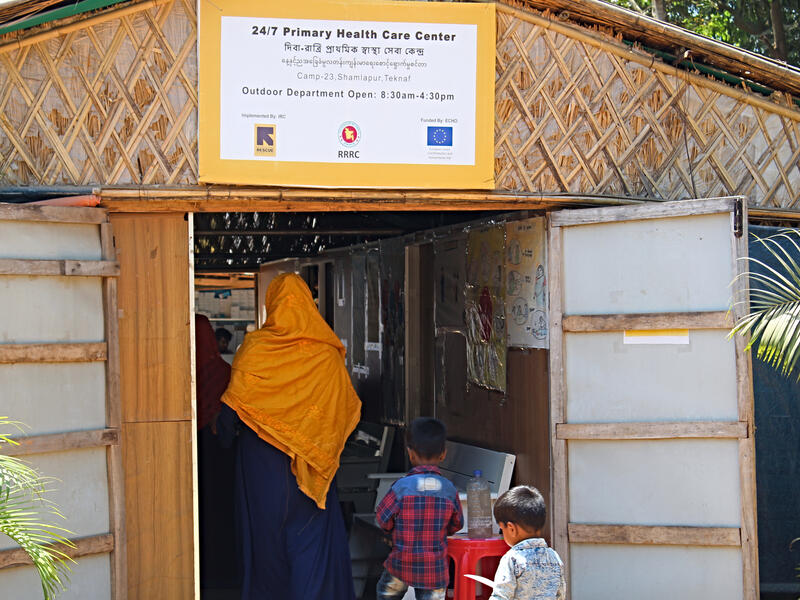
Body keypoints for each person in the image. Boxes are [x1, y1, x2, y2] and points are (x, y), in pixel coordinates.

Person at [219, 273, 361, 600]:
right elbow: (343, 411)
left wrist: (226, 441)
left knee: (265, 545)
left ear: (272, 305)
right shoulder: (326, 355)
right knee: (311, 542)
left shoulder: (254, 349)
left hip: (260, 465)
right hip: (311, 467)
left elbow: (231, 410)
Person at [375, 417, 464, 600]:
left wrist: (393, 529)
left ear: (411, 454)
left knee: (386, 594)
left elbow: (383, 518)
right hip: (434, 569)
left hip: (402, 564)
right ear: (443, 454)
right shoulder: (449, 489)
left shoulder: (401, 488)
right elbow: (457, 524)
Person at [194, 314, 237, 590]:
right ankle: (223, 571)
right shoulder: (222, 371)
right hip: (218, 450)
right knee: (220, 509)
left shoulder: (180, 369)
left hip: (188, 448)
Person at [488, 486, 566, 600]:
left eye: (502, 529)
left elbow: (500, 596)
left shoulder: (512, 559)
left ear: (511, 528)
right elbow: (561, 595)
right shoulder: (554, 557)